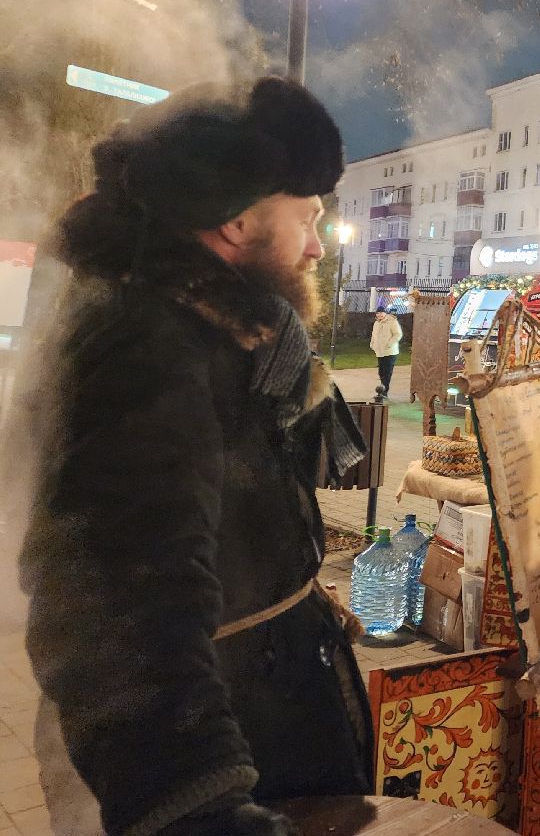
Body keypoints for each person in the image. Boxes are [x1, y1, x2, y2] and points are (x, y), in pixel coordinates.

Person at [18, 78, 373, 836]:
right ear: (238, 219)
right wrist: (200, 806)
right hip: (214, 734)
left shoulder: (216, 322)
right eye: (305, 218)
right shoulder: (142, 347)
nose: (317, 244)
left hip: (263, 699)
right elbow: (115, 604)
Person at [370, 305, 403, 401]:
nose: (379, 315)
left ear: (385, 313)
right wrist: (372, 344)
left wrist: (389, 344)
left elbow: (398, 334)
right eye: (378, 313)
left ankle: (384, 392)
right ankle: (382, 390)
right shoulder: (376, 323)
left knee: (387, 373)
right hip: (380, 351)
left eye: (381, 313)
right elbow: (374, 335)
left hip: (390, 352)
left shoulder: (392, 321)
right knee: (381, 372)